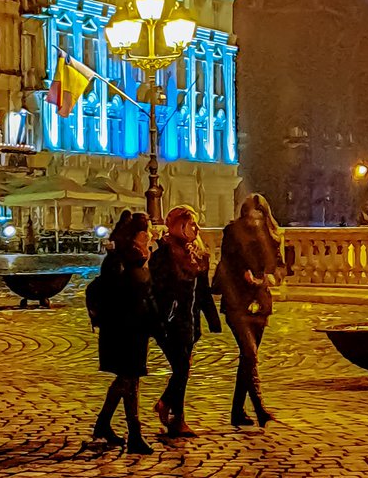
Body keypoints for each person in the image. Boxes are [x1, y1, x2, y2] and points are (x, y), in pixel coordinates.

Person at [90, 211, 162, 455]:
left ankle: (104, 425)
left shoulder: (138, 257)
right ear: (139, 235)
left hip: (136, 328)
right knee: (128, 381)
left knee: (128, 381)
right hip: (122, 330)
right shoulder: (119, 260)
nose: (151, 235)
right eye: (148, 231)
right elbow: (122, 295)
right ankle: (135, 436)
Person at [149, 205, 221, 438]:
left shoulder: (196, 256)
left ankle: (168, 408)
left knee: (183, 369)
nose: (197, 228)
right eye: (192, 224)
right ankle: (175, 416)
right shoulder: (163, 256)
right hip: (169, 323)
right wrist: (161, 317)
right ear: (179, 226)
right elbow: (156, 290)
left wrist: (213, 320)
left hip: (190, 324)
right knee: (181, 369)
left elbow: (203, 292)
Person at [214, 193, 285, 428]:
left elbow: (281, 266)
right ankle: (260, 409)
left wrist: (273, 277)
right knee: (250, 353)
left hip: (260, 301)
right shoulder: (233, 233)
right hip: (237, 302)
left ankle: (237, 410)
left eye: (259, 215)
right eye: (251, 215)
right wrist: (243, 274)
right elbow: (226, 264)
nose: (254, 220)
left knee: (248, 359)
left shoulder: (271, 236)